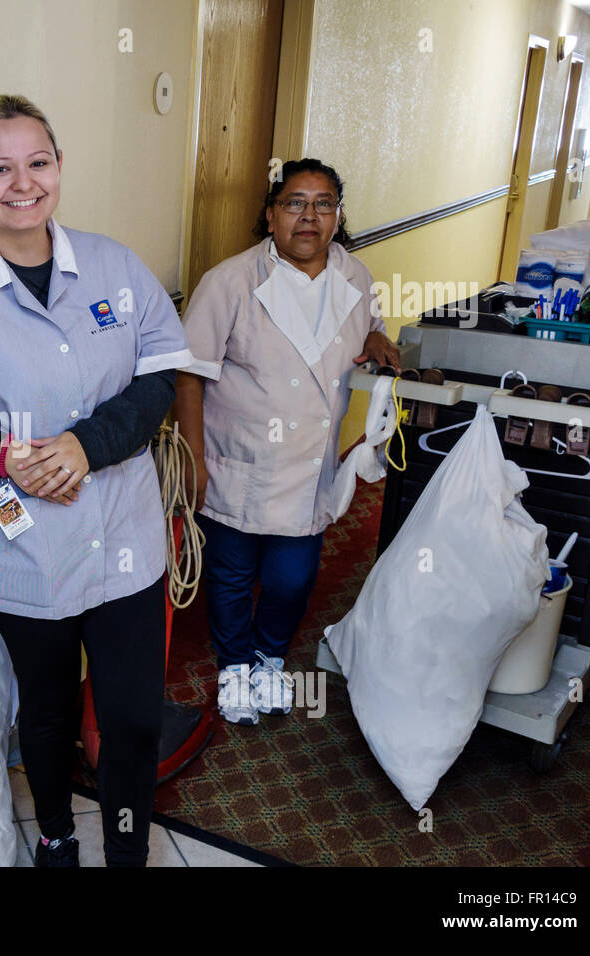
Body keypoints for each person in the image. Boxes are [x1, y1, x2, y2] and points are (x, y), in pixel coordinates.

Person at [0, 94, 193, 866]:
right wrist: (4, 456)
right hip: (21, 544)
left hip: (121, 532)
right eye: (0, 168)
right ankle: (56, 835)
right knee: (49, 709)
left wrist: (89, 446)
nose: (21, 183)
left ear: (59, 168)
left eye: (38, 163)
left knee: (129, 716)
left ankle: (126, 851)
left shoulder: (114, 267)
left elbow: (161, 369)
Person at [172, 158, 399, 727]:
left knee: (293, 576)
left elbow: (367, 322)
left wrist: (375, 335)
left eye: (323, 204)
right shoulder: (230, 281)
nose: (309, 216)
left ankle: (269, 657)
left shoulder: (356, 276)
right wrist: (194, 456)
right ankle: (233, 666)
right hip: (237, 458)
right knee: (231, 571)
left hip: (307, 466)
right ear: (271, 214)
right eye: (295, 202)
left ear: (338, 217)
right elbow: (189, 373)